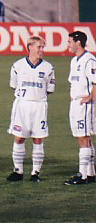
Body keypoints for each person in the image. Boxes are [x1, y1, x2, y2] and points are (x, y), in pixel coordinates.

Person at [6, 36, 55, 182]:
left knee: (38, 139)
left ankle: (35, 173)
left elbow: (49, 89)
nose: (41, 50)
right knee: (19, 137)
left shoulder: (48, 67)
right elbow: (14, 86)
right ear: (30, 47)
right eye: (39, 47)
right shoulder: (17, 66)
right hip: (22, 105)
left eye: (43, 47)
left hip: (39, 105)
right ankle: (18, 171)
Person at [64, 31, 96, 185]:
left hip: (84, 104)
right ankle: (90, 173)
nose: (68, 45)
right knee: (82, 137)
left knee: (83, 138)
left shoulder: (89, 60)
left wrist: (90, 98)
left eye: (69, 42)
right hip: (75, 103)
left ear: (78, 43)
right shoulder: (74, 61)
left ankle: (82, 175)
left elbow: (95, 82)